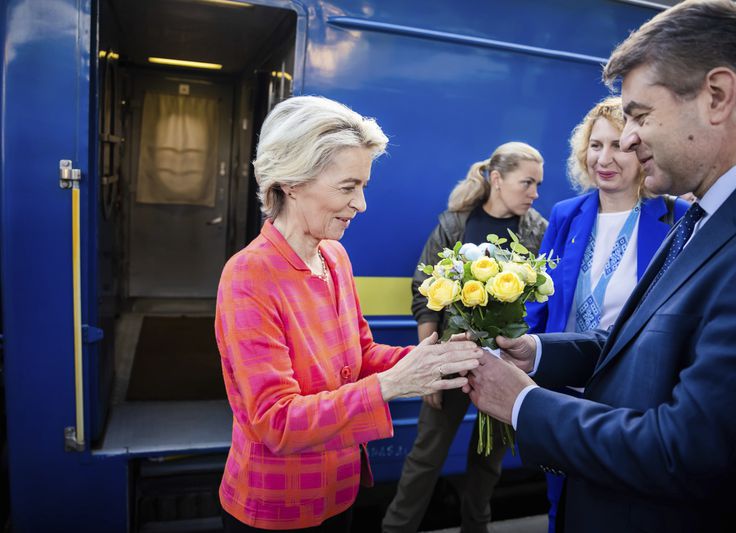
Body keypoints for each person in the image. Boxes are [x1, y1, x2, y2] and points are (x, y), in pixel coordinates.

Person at [464, 1, 736, 531]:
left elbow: (689, 449)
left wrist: (525, 405)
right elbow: (635, 342)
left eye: (641, 116)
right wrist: (535, 353)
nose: (626, 139)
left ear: (717, 95)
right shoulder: (712, 211)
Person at [214, 95, 483, 532]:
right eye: (347, 187)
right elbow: (276, 421)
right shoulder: (248, 275)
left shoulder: (334, 256)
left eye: (363, 186)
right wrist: (392, 385)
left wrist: (434, 360)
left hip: (339, 489)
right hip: (278, 507)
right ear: (292, 182)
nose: (361, 204)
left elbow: (358, 354)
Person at [523, 96, 688, 532]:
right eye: (595, 146)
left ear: (641, 151)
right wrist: (521, 358)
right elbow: (539, 298)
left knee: (618, 506)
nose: (604, 158)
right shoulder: (565, 215)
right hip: (561, 385)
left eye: (617, 145)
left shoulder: (676, 216)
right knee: (559, 502)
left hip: (629, 393)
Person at [382, 142, 548, 533]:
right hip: (450, 360)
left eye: (538, 184)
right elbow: (426, 292)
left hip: (507, 364)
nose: (535, 193)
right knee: (427, 456)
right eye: (527, 182)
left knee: (489, 461)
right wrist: (428, 365)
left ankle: (477, 527)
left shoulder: (538, 230)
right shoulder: (455, 224)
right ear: (497, 179)